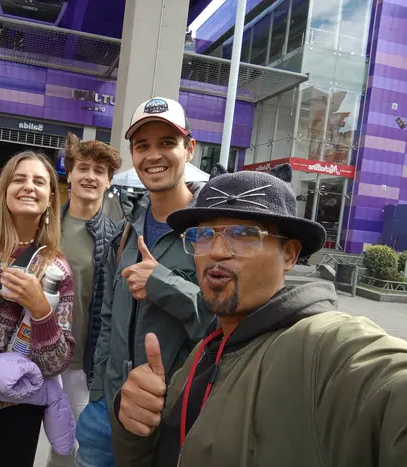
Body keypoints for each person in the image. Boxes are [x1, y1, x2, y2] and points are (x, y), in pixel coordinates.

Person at [112, 164, 407, 466]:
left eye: (243, 234)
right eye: (204, 234)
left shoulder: (319, 347)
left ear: (289, 254)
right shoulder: (203, 352)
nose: (216, 251)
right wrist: (134, 426)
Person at [76, 97, 212, 466]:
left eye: (167, 143)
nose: (153, 155)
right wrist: (99, 391)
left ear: (190, 148)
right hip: (107, 411)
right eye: (142, 145)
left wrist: (165, 285)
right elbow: (107, 318)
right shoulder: (126, 232)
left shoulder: (211, 234)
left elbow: (224, 324)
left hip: (171, 418)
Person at [0, 150, 75, 467]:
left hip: (15, 409)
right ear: (4, 189)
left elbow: (56, 363)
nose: (28, 186)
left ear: (51, 198)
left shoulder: (56, 269)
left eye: (39, 181)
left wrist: (41, 311)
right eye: (19, 179)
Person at [47, 133, 122, 467]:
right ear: (70, 174)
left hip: (81, 364)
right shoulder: (46, 225)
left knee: (73, 447)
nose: (91, 176)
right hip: (35, 355)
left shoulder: (117, 236)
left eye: (100, 171)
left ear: (108, 181)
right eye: (84, 168)